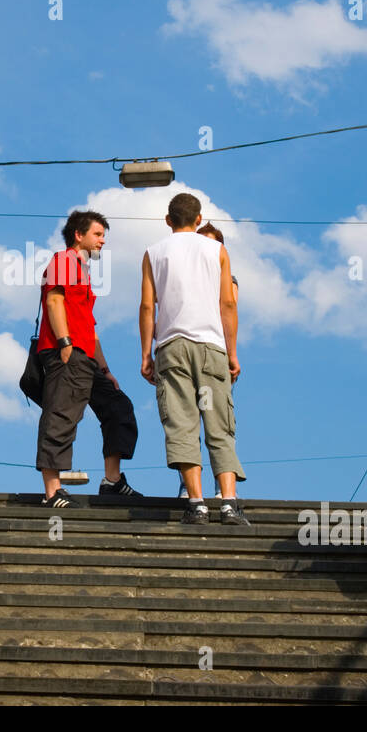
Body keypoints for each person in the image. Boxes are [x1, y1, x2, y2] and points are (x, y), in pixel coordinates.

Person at [140, 193, 248, 526]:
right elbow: (228, 304)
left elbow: (147, 306)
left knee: (181, 422)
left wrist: (146, 353)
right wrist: (232, 352)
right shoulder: (217, 250)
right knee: (219, 423)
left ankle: (197, 504)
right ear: (198, 219)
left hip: (171, 346)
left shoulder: (153, 253)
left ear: (168, 220)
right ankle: (229, 504)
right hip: (211, 346)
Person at [36, 210, 141, 507]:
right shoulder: (63, 260)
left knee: (118, 407)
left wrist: (105, 369)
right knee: (61, 417)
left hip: (86, 357)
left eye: (104, 236)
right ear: (78, 235)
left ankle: (112, 481)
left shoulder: (83, 270)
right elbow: (54, 300)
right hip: (66, 353)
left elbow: (90, 326)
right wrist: (65, 343)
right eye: (97, 234)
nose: (102, 241)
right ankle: (53, 492)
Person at [179, 223, 246, 498]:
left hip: (214, 351)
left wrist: (232, 354)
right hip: (189, 348)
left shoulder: (227, 278)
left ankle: (223, 486)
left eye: (212, 243)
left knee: (218, 422)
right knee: (186, 420)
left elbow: (230, 307)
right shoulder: (184, 275)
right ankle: (189, 485)